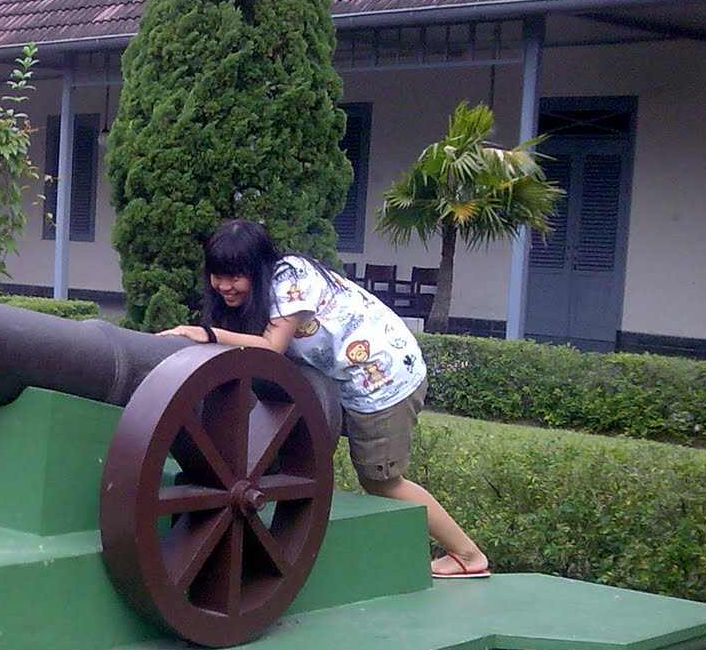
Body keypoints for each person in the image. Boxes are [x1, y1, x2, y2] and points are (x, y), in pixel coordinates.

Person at [158, 219, 489, 580]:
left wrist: (206, 333)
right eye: (217, 276)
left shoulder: (291, 284)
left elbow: (271, 348)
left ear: (259, 268)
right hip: (347, 381)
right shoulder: (263, 288)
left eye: (235, 277)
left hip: (383, 379)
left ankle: (468, 554)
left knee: (382, 480)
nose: (224, 286)